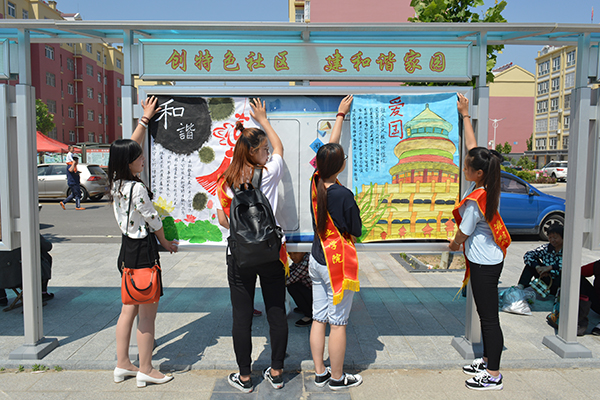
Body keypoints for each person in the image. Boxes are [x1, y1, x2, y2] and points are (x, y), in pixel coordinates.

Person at [216, 98, 288, 393]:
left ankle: (245, 377)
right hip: (271, 253)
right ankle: (277, 372)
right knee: (276, 311)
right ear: (254, 152)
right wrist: (263, 119)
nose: (268, 152)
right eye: (264, 150)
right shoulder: (269, 173)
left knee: (242, 316)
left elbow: (223, 220)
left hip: (240, 256)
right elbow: (281, 148)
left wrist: (244, 229)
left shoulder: (224, 181)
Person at [109, 96, 178, 388]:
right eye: (139, 158)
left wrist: (145, 120)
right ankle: (146, 368)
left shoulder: (115, 183)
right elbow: (153, 220)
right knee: (148, 315)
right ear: (130, 162)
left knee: (128, 309)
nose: (143, 159)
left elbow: (128, 148)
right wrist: (166, 242)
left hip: (126, 251)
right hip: (143, 253)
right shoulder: (137, 189)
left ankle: (123, 364)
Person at [449, 93, 511, 391]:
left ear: (478, 173)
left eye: (466, 167)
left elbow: (464, 232)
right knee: (485, 314)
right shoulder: (487, 184)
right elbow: (474, 149)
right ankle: (486, 360)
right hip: (487, 259)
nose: (463, 169)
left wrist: (452, 245)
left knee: (488, 318)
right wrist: (465, 115)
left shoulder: (476, 199)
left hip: (485, 263)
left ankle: (494, 375)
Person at [309, 95, 363, 391]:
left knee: (319, 318)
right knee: (338, 322)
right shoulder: (343, 195)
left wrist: (340, 116)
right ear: (340, 166)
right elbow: (356, 229)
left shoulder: (315, 183)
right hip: (337, 265)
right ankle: (337, 378)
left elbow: (328, 152)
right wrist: (340, 116)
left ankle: (320, 372)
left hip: (317, 259)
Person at [517, 223, 563, 295]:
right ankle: (520, 288)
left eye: (555, 237)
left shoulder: (568, 251)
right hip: (544, 278)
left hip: (558, 282)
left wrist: (550, 268)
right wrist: (537, 267)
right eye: (550, 237)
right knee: (530, 264)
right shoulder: (546, 248)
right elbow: (528, 255)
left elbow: (568, 265)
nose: (552, 240)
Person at [287, 252, 312, 327]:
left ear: (303, 251)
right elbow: (290, 271)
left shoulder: (307, 261)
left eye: (295, 253)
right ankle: (305, 307)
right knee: (295, 285)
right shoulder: (302, 258)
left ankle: (309, 314)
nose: (292, 256)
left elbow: (289, 280)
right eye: (290, 254)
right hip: (312, 292)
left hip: (319, 297)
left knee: (293, 287)